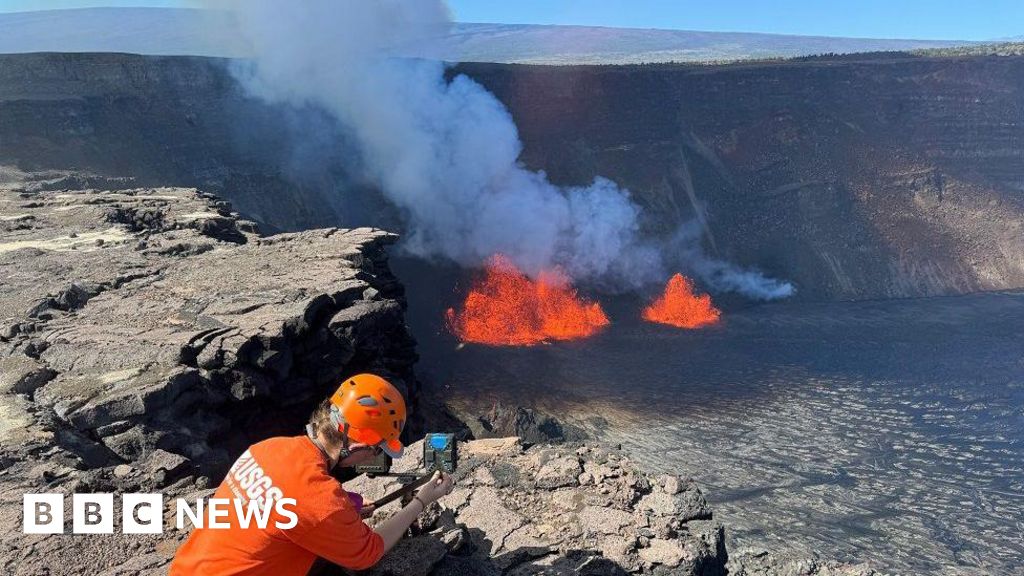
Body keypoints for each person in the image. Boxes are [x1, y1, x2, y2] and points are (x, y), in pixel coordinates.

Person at [170, 373, 454, 575]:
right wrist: (421, 501)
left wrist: (347, 506)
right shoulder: (322, 505)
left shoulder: (266, 448)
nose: (375, 457)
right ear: (358, 445)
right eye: (377, 449)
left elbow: (284, 497)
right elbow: (369, 553)